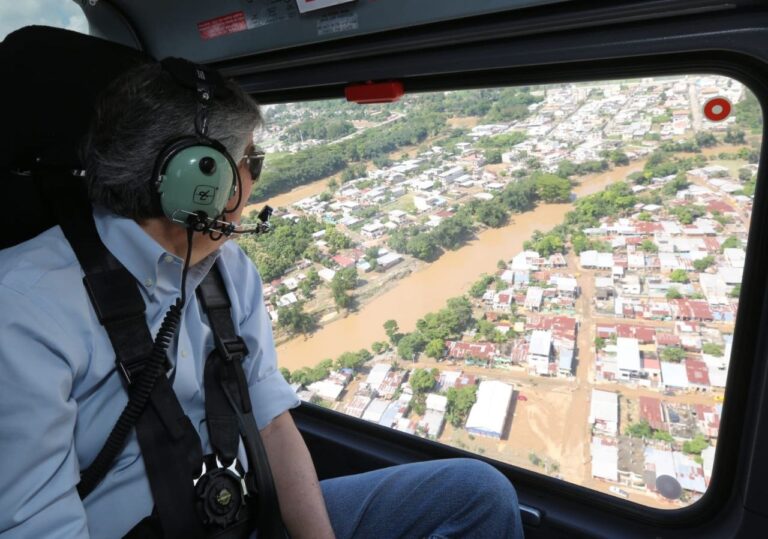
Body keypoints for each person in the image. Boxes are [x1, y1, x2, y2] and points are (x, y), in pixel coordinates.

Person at [0, 60, 523, 538]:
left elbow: (272, 424)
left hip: (250, 513)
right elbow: (38, 527)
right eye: (250, 160)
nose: (255, 176)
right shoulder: (24, 307)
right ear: (197, 180)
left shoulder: (227, 270)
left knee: (475, 495)